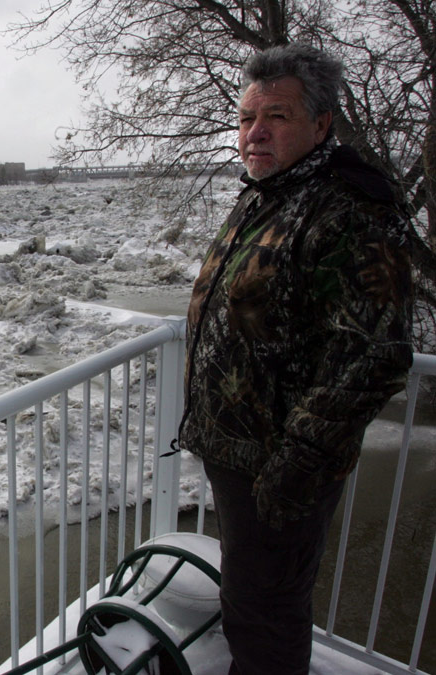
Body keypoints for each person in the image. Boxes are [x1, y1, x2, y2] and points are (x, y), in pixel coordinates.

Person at [178, 43, 414, 674]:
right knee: (253, 595)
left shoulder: (345, 211)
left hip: (281, 463)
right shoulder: (269, 192)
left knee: (265, 611)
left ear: (321, 125)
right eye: (247, 117)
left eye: (277, 116)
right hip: (240, 449)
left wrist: (298, 461)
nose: (255, 132)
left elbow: (376, 353)